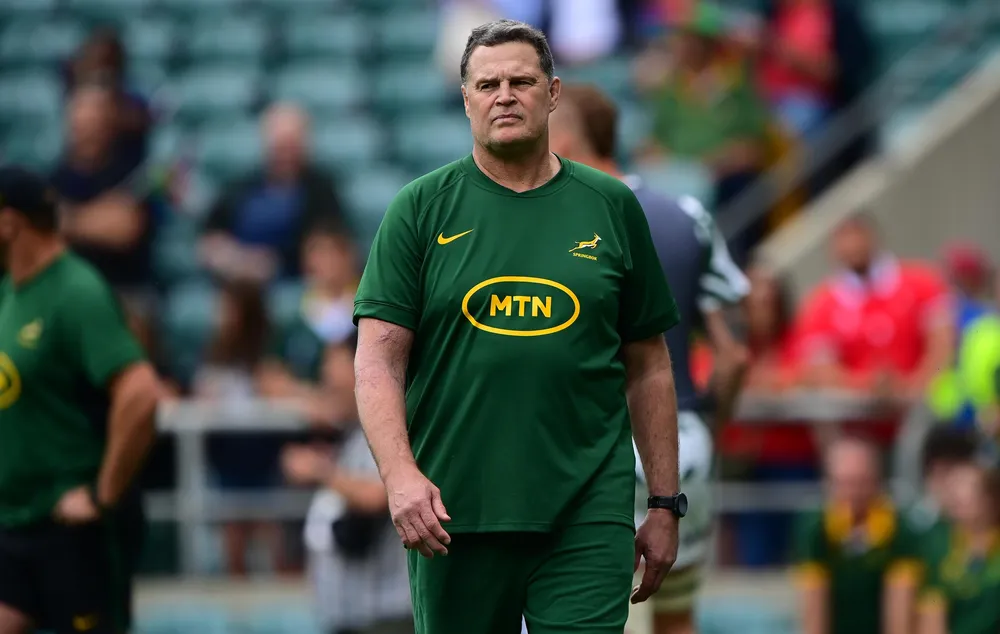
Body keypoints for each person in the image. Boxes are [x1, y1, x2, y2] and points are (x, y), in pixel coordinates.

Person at [353, 19, 685, 634]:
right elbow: (377, 360)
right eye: (487, 85)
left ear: (552, 93)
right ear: (466, 100)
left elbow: (649, 364)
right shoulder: (418, 209)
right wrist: (399, 477)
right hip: (452, 512)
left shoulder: (611, 206)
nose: (504, 96)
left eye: (521, 81)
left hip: (587, 511)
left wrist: (665, 502)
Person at [548, 82, 750, 634]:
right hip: (683, 446)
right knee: (676, 615)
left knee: (591, 616)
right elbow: (734, 355)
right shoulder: (686, 214)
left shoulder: (562, 217)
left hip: (594, 448)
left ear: (565, 137)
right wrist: (705, 427)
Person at [0, 166, 163, 634]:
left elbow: (141, 393)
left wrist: (102, 495)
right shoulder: (10, 292)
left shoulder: (76, 291)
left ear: (10, 223)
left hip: (71, 529)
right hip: (16, 520)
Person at [284, 335, 414, 634]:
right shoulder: (350, 433)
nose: (326, 376)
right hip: (350, 613)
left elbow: (379, 495)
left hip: (386, 615)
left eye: (333, 366)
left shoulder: (388, 429)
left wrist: (320, 471)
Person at [792, 435, 921, 634]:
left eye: (861, 482)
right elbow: (813, 606)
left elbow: (900, 610)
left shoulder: (900, 528)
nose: (853, 493)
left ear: (877, 481)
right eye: (844, 483)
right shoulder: (815, 528)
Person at [917, 463, 1000, 634]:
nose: (957, 496)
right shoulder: (938, 545)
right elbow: (931, 611)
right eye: (953, 489)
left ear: (990, 498)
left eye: (968, 489)